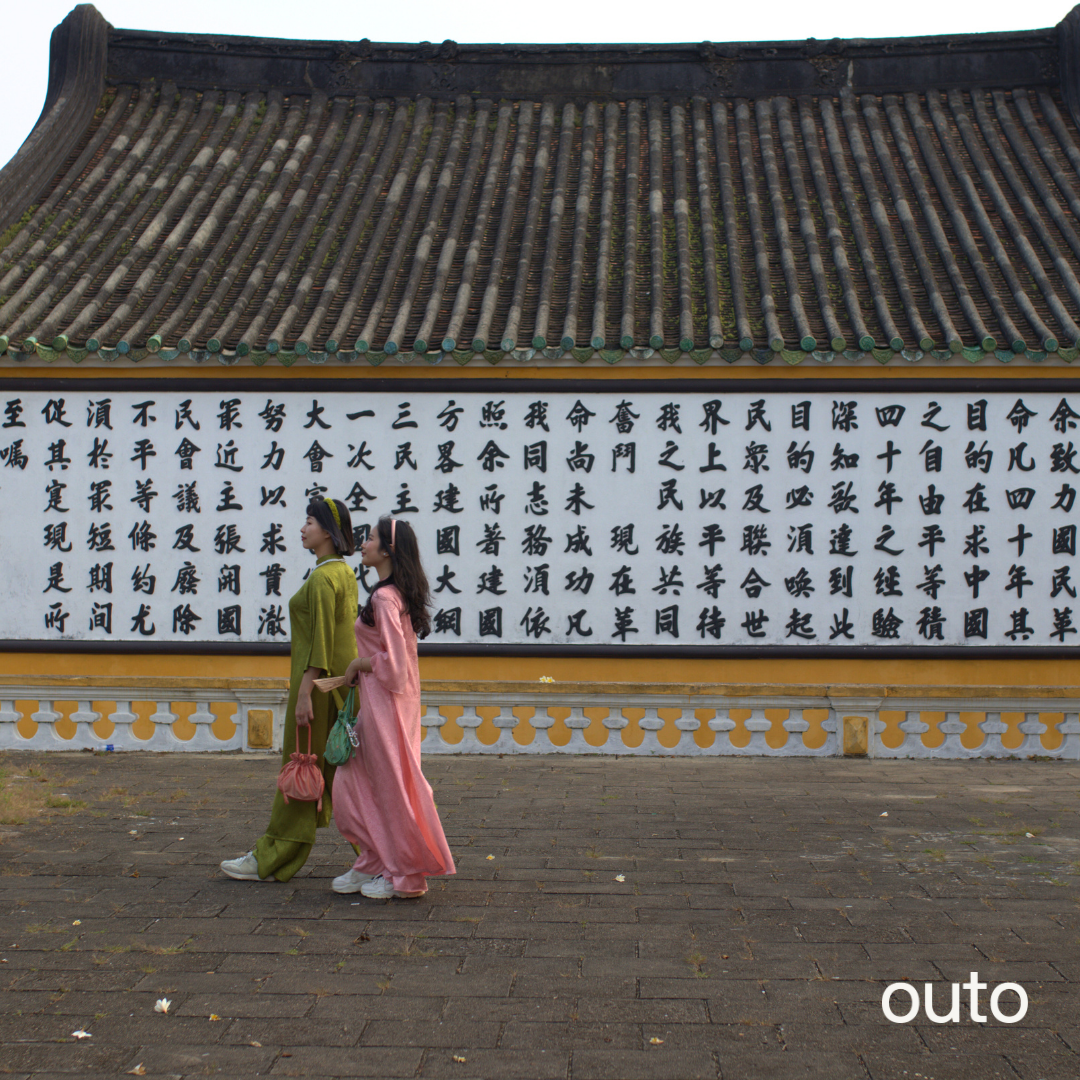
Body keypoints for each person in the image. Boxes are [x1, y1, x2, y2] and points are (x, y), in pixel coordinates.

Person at [220, 497, 358, 882]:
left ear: (328, 531)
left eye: (309, 521)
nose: (302, 528)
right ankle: (379, 857)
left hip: (317, 689)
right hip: (339, 690)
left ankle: (273, 853)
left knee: (300, 771)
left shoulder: (322, 578)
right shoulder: (344, 574)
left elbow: (321, 641)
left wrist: (303, 692)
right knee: (341, 778)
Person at [330, 515, 456, 899]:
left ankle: (404, 872)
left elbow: (396, 668)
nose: (362, 544)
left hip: (387, 705)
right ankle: (374, 859)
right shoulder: (392, 593)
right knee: (354, 780)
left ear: (387, 550)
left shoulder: (385, 598)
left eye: (368, 539)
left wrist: (357, 665)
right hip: (385, 703)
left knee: (390, 788)